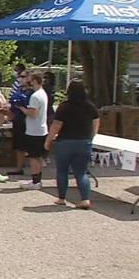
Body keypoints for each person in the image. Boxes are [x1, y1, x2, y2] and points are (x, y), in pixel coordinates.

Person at [44, 80, 100, 209]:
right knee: (81, 172)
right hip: (84, 141)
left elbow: (56, 125)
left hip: (65, 141)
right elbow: (96, 122)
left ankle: (61, 198)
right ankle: (85, 199)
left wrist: (48, 140)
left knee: (62, 170)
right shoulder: (90, 106)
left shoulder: (64, 107)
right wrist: (91, 137)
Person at [18, 72, 48, 190]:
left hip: (34, 131)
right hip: (41, 129)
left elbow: (32, 113)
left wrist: (21, 108)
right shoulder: (43, 93)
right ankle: (38, 180)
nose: (27, 81)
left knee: (33, 157)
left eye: (30, 79)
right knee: (39, 156)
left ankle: (35, 182)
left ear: (35, 80)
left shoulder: (35, 96)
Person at [7, 64, 30, 176]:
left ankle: (32, 170)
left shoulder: (32, 93)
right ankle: (19, 167)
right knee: (18, 146)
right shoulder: (19, 90)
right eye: (20, 76)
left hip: (28, 122)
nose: (20, 78)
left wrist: (20, 106)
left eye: (23, 76)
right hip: (17, 120)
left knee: (25, 146)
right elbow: (12, 103)